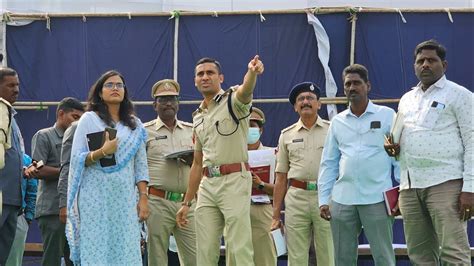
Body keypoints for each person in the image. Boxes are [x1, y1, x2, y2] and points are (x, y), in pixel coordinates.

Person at [385, 39, 473, 265]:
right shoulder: (407, 99)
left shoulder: (460, 95)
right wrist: (394, 149)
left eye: (431, 60)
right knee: (419, 256)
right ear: (414, 66)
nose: (425, 64)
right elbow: (403, 141)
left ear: (444, 65)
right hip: (410, 186)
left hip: (446, 183)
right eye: (420, 61)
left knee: (454, 253)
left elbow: (472, 142)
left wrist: (470, 189)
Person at [176, 56, 264, 265]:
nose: (205, 77)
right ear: (195, 81)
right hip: (207, 185)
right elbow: (197, 163)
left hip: (234, 180)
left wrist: (252, 72)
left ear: (221, 78)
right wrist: (186, 202)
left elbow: (246, 90)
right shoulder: (197, 116)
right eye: (200, 74)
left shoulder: (233, 101)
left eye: (210, 73)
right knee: (204, 250)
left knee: (238, 246)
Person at [66, 70, 150, 265]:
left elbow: (141, 166)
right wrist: (102, 151)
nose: (115, 88)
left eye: (119, 85)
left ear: (125, 92)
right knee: (97, 248)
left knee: (126, 249)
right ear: (100, 93)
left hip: (125, 200)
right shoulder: (89, 120)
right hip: (95, 198)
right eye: (109, 85)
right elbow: (77, 159)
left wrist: (144, 198)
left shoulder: (135, 126)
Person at [318, 64, 399, 266]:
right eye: (348, 84)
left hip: (377, 198)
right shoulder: (337, 122)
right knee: (343, 259)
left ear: (367, 86)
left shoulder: (387, 115)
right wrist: (323, 199)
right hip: (342, 199)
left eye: (356, 83)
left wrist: (401, 193)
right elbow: (329, 163)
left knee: (384, 257)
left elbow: (398, 157)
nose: (352, 88)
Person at [271, 82, 334, 266]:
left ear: (319, 104)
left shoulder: (332, 130)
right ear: (295, 107)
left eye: (310, 98)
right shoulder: (286, 135)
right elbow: (281, 176)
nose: (306, 102)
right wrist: (276, 215)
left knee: (327, 253)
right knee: (296, 255)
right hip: (296, 198)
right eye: (301, 99)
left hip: (325, 196)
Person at [144, 79, 196, 265]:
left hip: (187, 202)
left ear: (178, 103)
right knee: (157, 257)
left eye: (172, 99)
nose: (168, 103)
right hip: (158, 201)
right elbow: (138, 169)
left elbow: (202, 163)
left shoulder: (191, 130)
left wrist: (192, 160)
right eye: (163, 99)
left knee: (195, 257)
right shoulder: (145, 132)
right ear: (154, 104)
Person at [27, 97, 84, 266]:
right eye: (75, 117)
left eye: (81, 118)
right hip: (52, 209)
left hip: (75, 209)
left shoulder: (78, 139)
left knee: (75, 259)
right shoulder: (44, 136)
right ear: (60, 113)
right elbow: (38, 169)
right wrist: (69, 171)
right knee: (52, 259)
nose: (78, 122)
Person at [246, 107, 277, 266]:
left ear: (261, 129)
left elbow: (281, 189)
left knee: (265, 259)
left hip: (262, 209)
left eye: (253, 124)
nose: (249, 128)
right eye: (245, 124)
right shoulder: (230, 156)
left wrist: (261, 184)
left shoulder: (272, 154)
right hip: (236, 210)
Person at [0, 67, 24, 265]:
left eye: (17, 85)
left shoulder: (12, 117)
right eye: (10, 85)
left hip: (13, 199)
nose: (16, 90)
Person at [5, 154, 37, 266]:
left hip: (18, 218)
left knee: (13, 263)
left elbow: (32, 190)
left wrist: (27, 217)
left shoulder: (25, 160)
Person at [57, 120, 78, 225]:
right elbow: (67, 168)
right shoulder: (77, 127)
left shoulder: (130, 126)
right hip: (80, 205)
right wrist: (64, 204)